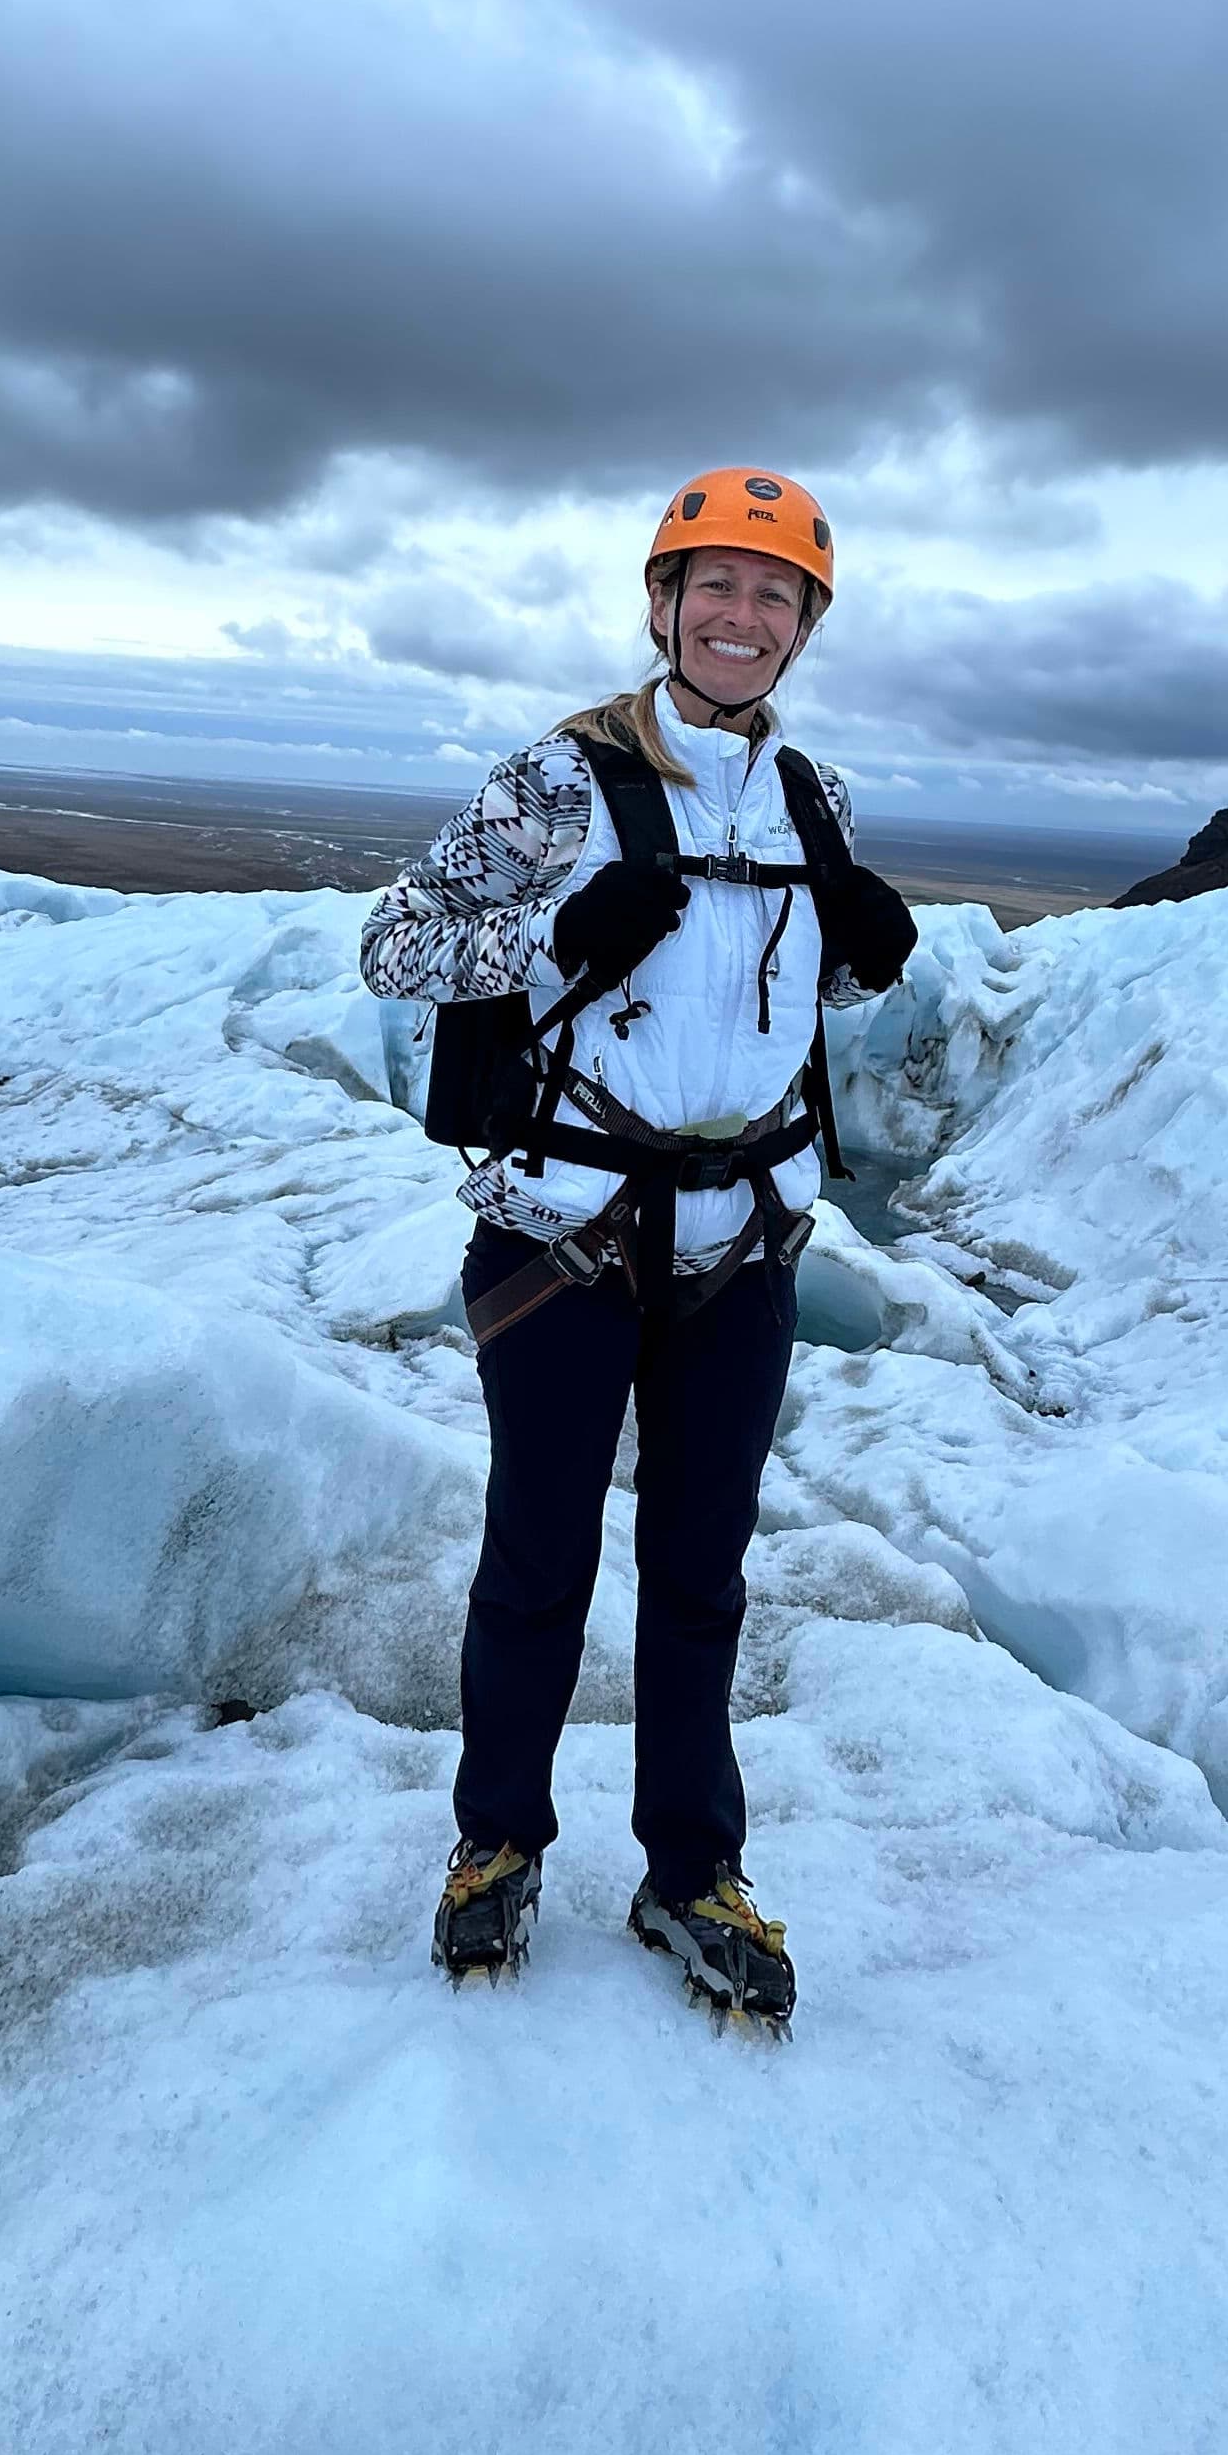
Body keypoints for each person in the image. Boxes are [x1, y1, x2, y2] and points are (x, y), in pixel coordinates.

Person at [357, 468, 920, 2032]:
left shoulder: (813, 799)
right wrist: (551, 934)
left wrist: (864, 960)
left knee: (701, 1575)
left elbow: (781, 996)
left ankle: (691, 1866)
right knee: (538, 1562)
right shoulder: (561, 778)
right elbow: (396, 944)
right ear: (661, 604)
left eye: (775, 596)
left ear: (804, 627)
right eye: (716, 587)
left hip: (742, 1240)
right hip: (568, 1233)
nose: (743, 618)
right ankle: (497, 1841)